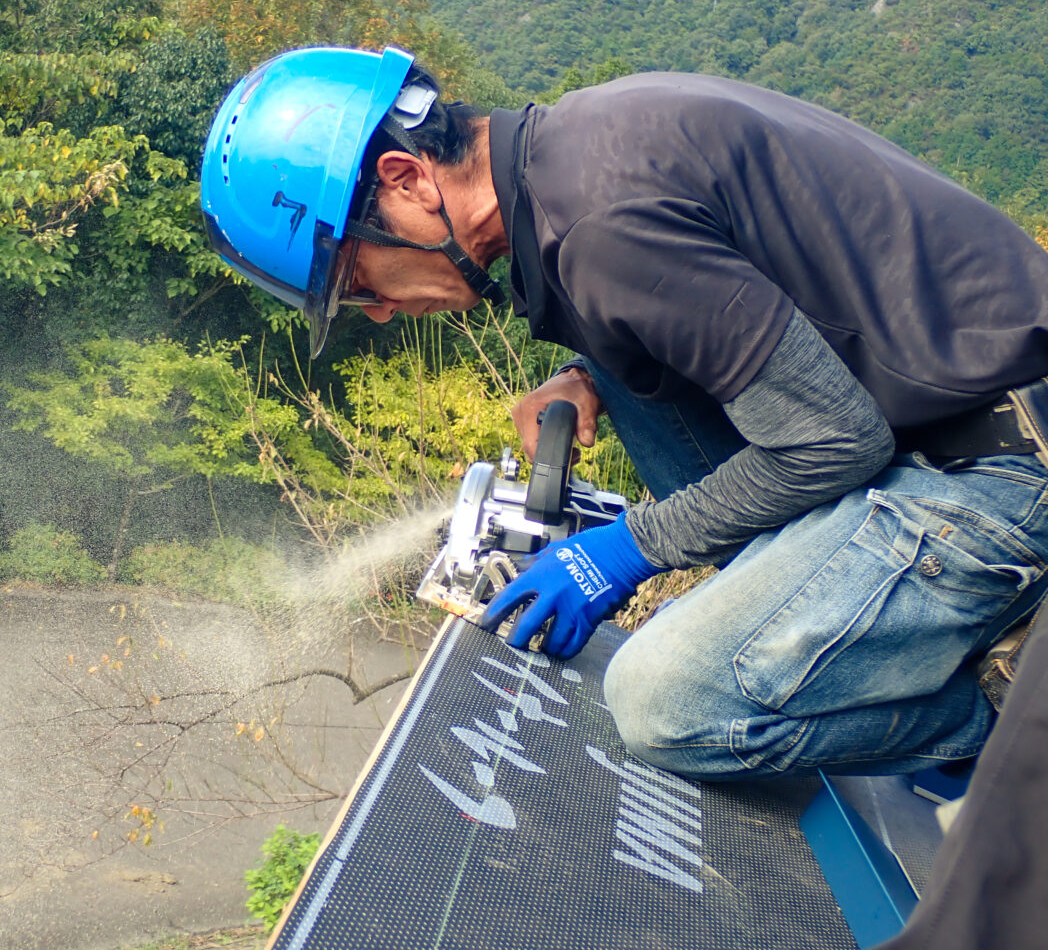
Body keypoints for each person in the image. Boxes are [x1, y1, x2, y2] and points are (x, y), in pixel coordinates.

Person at [201, 45, 1048, 782]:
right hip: (940, 418)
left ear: (406, 180)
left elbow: (836, 442)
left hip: (1001, 469)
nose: (377, 311)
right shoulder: (575, 154)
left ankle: (995, 721)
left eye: (356, 282)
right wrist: (591, 376)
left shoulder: (604, 230)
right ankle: (824, 613)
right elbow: (715, 302)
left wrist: (624, 550)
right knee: (620, 363)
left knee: (660, 703)